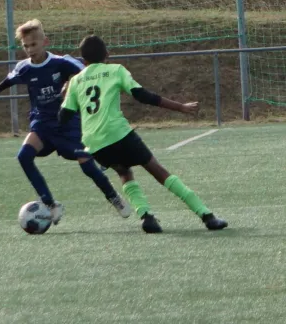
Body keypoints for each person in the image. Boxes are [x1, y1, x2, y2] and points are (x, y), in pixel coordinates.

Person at [59, 35, 228, 233]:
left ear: (83, 61)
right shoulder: (115, 70)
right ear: (107, 54)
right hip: (119, 133)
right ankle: (206, 216)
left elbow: (63, 117)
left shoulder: (76, 81)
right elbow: (142, 95)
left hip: (95, 144)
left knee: (123, 171)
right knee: (158, 170)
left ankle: (146, 216)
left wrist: (64, 96)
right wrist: (180, 107)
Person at [0, 20, 131, 225]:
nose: (30, 50)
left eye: (34, 44)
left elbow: (85, 72)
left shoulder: (61, 63)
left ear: (45, 42)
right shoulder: (24, 68)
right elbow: (10, 79)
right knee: (24, 156)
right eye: (26, 46)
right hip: (41, 124)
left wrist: (69, 83)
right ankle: (51, 205)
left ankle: (113, 197)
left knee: (86, 164)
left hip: (67, 123)